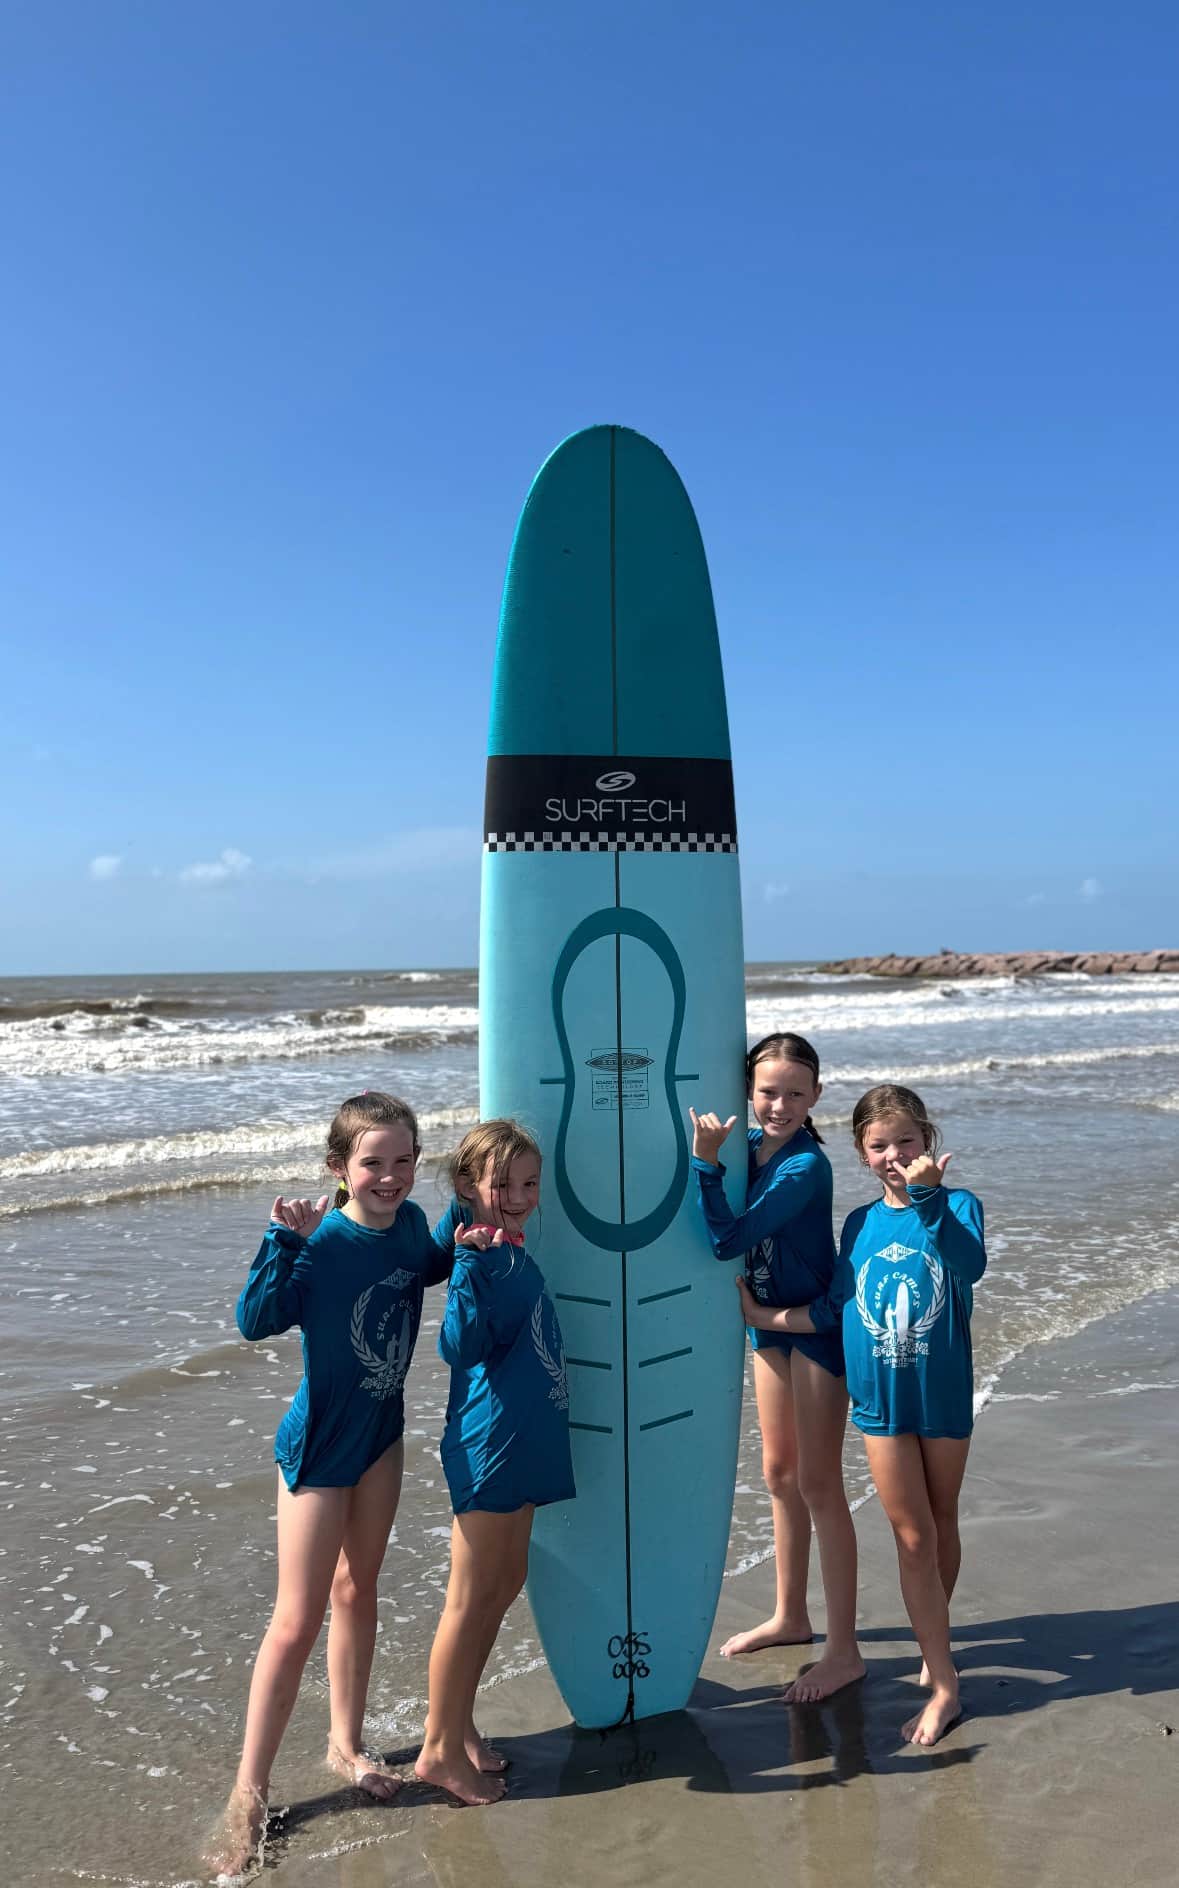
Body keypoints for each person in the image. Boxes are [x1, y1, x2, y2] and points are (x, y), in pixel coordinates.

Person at [207, 1092, 450, 1877]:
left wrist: (477, 1216)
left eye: (404, 1161)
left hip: (380, 1435)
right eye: (372, 1162)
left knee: (359, 1591)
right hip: (317, 1447)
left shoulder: (410, 1225)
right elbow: (254, 1319)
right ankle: (248, 1793)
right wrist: (282, 1240)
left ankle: (346, 1744)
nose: (390, 1175)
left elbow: (432, 1263)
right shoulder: (322, 1242)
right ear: (338, 1168)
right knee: (297, 1616)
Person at [739, 1082, 986, 1746]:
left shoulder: (957, 1206)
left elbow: (969, 1265)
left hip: (939, 1398)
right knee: (911, 1538)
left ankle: (932, 1637)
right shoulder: (856, 1224)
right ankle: (944, 1683)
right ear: (859, 1152)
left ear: (926, 1140)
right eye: (879, 1145)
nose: (894, 1155)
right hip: (878, 1403)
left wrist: (931, 1200)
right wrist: (763, 1318)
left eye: (905, 1141)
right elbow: (834, 1309)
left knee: (938, 1522)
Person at [689, 1033, 864, 1702]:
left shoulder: (801, 1169)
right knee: (778, 1475)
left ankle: (844, 1652)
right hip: (768, 1329)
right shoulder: (750, 1150)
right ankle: (791, 1615)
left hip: (813, 1328)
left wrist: (704, 1165)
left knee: (820, 1484)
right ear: (747, 1091)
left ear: (816, 1096)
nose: (779, 1104)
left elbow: (727, 1239)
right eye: (767, 1091)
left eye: (795, 1093)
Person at [415, 1119, 574, 1806]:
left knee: (505, 1581)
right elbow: (459, 1347)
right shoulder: (475, 1256)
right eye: (501, 1184)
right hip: (490, 1442)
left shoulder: (510, 1245)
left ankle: (460, 1727)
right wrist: (468, 1265)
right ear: (466, 1186)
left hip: (529, 1435)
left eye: (529, 1183)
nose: (517, 1196)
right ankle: (436, 1751)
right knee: (469, 1598)